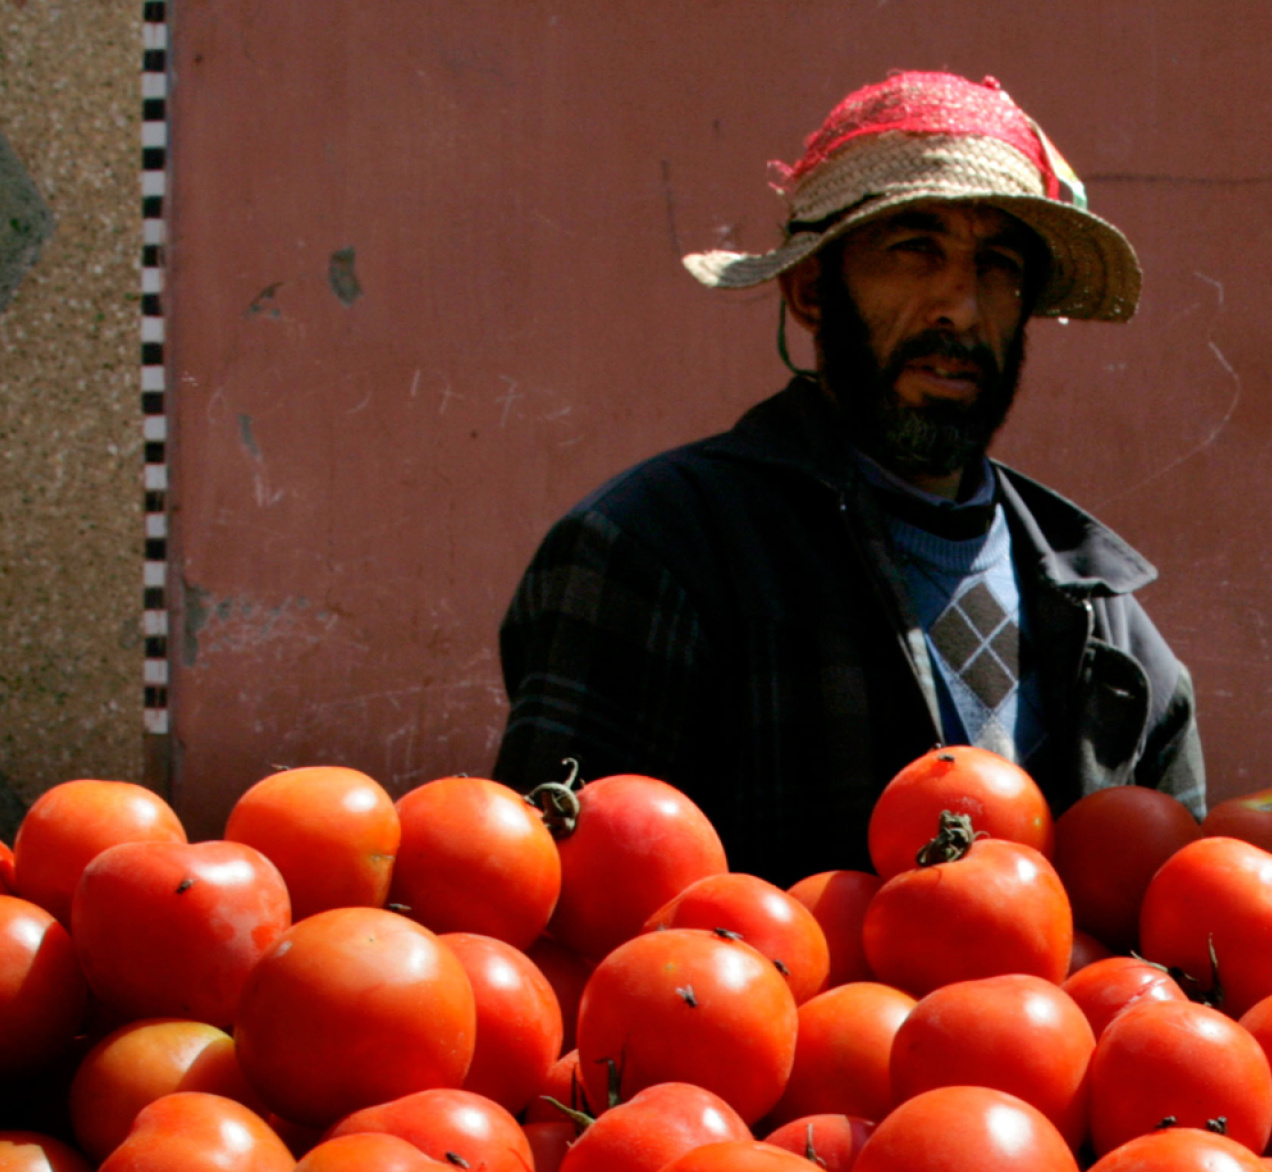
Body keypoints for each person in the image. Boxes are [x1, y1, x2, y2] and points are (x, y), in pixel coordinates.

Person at [493, 72, 1204, 883]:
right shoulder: (656, 553)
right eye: (914, 251)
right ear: (810, 292)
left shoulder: (1112, 630)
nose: (961, 309)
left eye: (998, 265)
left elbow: (1174, 950)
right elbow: (550, 900)